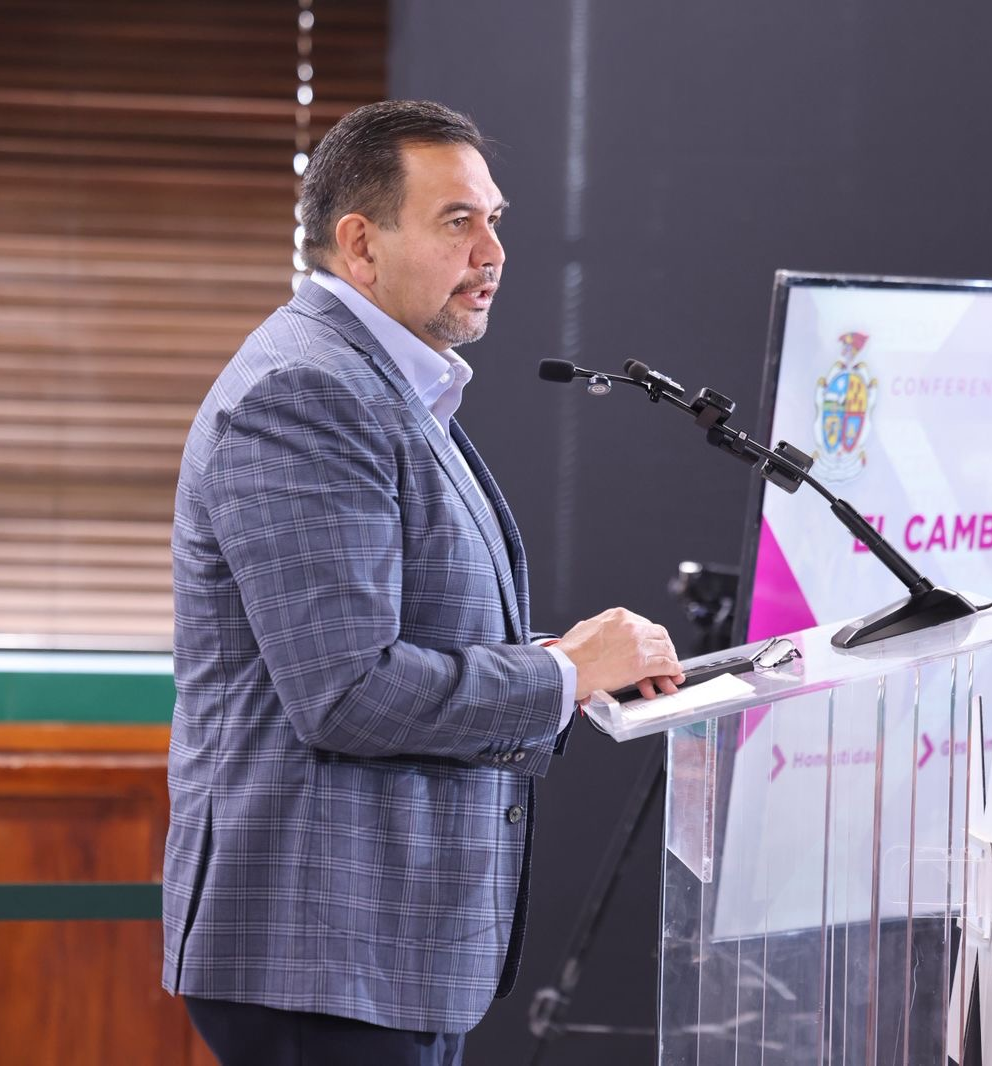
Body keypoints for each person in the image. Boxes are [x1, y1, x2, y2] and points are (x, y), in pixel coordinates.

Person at [161, 100, 685, 1066]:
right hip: (319, 956)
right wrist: (565, 673)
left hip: (380, 955)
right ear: (361, 244)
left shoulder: (383, 382)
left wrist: (568, 666)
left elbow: (395, 643)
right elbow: (348, 692)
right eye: (457, 222)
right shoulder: (305, 392)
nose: (493, 252)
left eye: (496, 219)